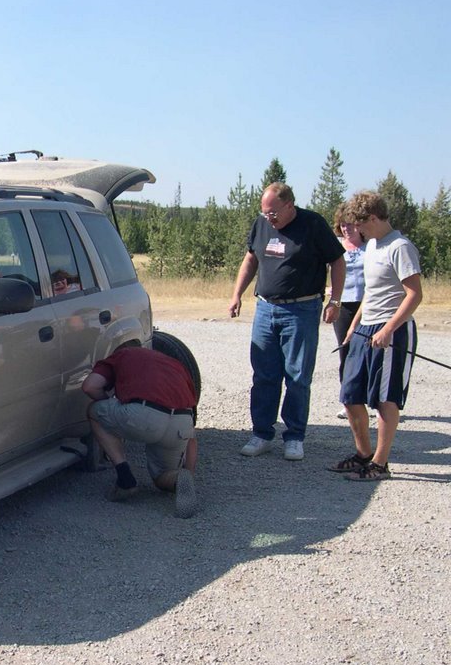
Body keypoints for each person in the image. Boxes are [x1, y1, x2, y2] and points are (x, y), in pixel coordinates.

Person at [228, 182, 346, 461]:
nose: (269, 219)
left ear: (290, 206)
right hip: (266, 309)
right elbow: (250, 260)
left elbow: (338, 262)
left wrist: (335, 301)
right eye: (264, 213)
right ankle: (261, 434)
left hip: (302, 310)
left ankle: (294, 437)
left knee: (297, 376)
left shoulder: (313, 224)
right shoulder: (261, 224)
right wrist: (237, 294)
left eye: (273, 213)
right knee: (264, 375)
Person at [328, 191, 423, 481]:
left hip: (391, 330)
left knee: (385, 400)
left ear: (372, 218)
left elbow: (415, 294)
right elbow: (370, 293)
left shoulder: (400, 246)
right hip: (365, 327)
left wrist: (388, 328)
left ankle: (380, 465)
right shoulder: (372, 247)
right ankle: (363, 455)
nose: (356, 231)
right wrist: (354, 326)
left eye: (360, 225)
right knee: (350, 394)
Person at [82, 345, 199, 518]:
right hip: (182, 421)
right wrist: (189, 471)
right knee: (161, 477)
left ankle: (125, 477)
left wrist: (111, 406)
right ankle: (179, 479)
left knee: (94, 411)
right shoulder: (174, 364)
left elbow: (90, 387)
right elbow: (192, 437)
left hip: (144, 415)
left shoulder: (120, 356)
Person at [331, 204, 368, 417]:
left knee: (367, 352)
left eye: (350, 226)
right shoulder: (336, 246)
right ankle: (348, 398)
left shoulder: (370, 247)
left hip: (366, 305)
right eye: (342, 226)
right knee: (345, 351)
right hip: (344, 304)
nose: (346, 230)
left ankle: (367, 397)